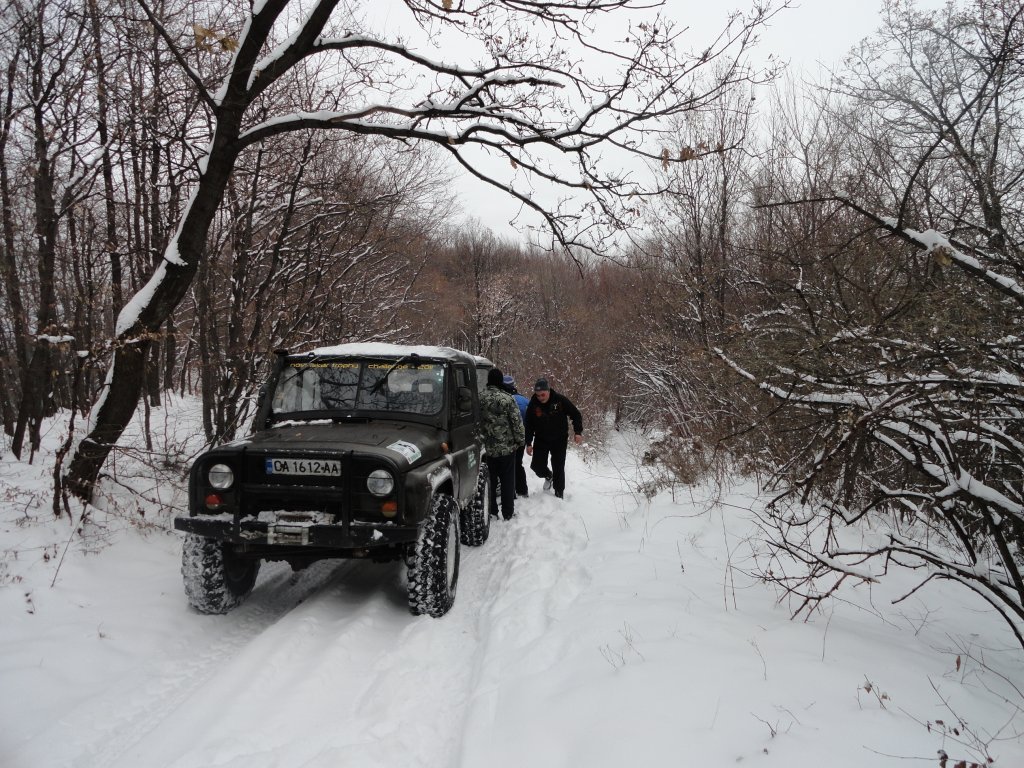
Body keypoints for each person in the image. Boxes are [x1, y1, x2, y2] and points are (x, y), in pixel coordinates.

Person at [479, 367, 526, 520]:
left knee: (490, 480)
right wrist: (520, 441)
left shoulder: (479, 398)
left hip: (487, 448)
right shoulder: (507, 398)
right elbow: (516, 422)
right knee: (507, 481)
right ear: (500, 382)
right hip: (507, 448)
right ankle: (508, 512)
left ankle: (492, 511)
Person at [524, 378, 583, 499]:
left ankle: (559, 492)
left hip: (559, 439)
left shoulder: (560, 400)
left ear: (548, 391)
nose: (540, 397)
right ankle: (548, 476)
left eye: (543, 394)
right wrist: (528, 442)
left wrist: (577, 432)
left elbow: (575, 414)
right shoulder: (533, 404)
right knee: (537, 466)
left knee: (558, 466)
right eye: (538, 395)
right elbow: (529, 423)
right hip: (541, 439)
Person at [502, 374, 531, 497]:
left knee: (507, 465)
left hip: (505, 439)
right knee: (518, 463)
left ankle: (510, 491)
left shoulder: (502, 400)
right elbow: (532, 420)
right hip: (521, 438)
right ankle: (522, 490)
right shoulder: (525, 400)